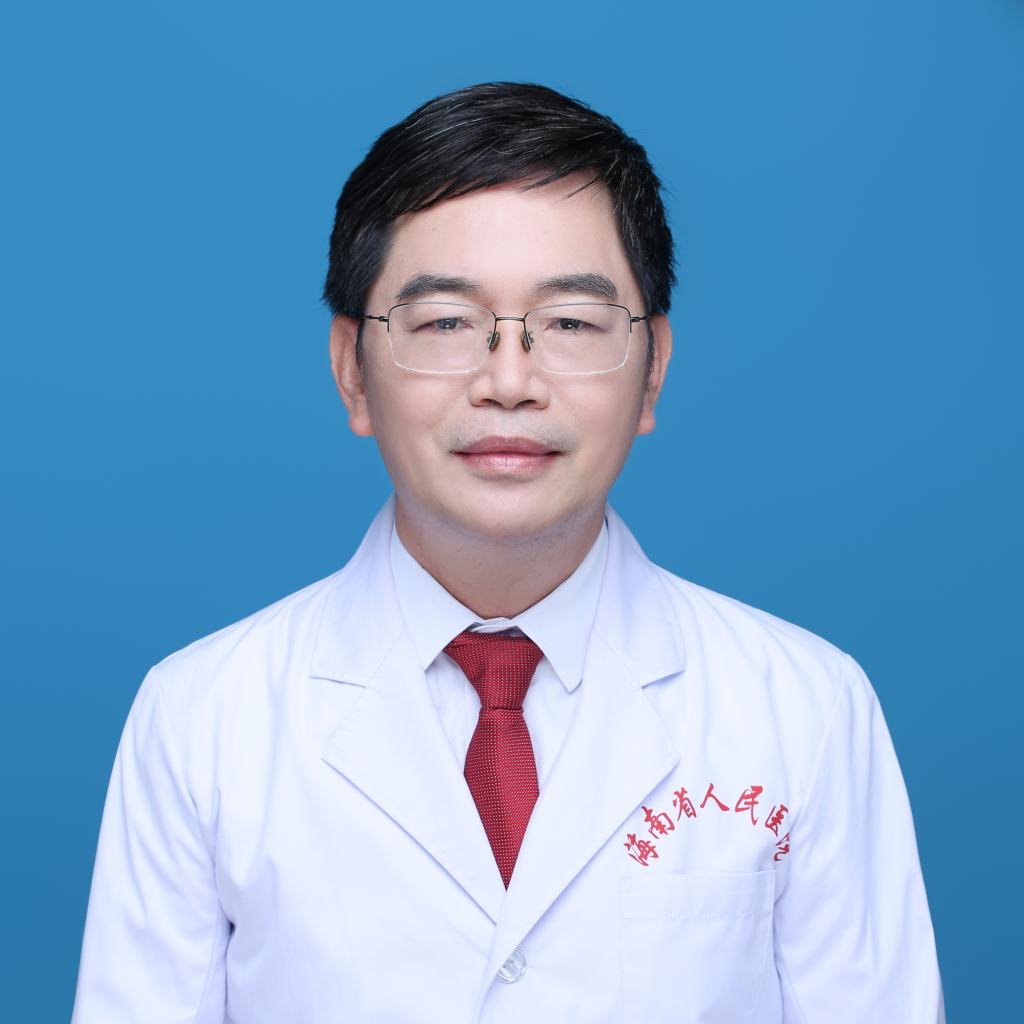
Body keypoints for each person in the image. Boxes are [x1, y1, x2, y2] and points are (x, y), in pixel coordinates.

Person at [71, 81, 945, 1023]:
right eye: (446, 322)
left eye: (570, 323)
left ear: (653, 369)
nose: (510, 380)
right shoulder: (202, 719)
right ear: (351, 370)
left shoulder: (805, 708)